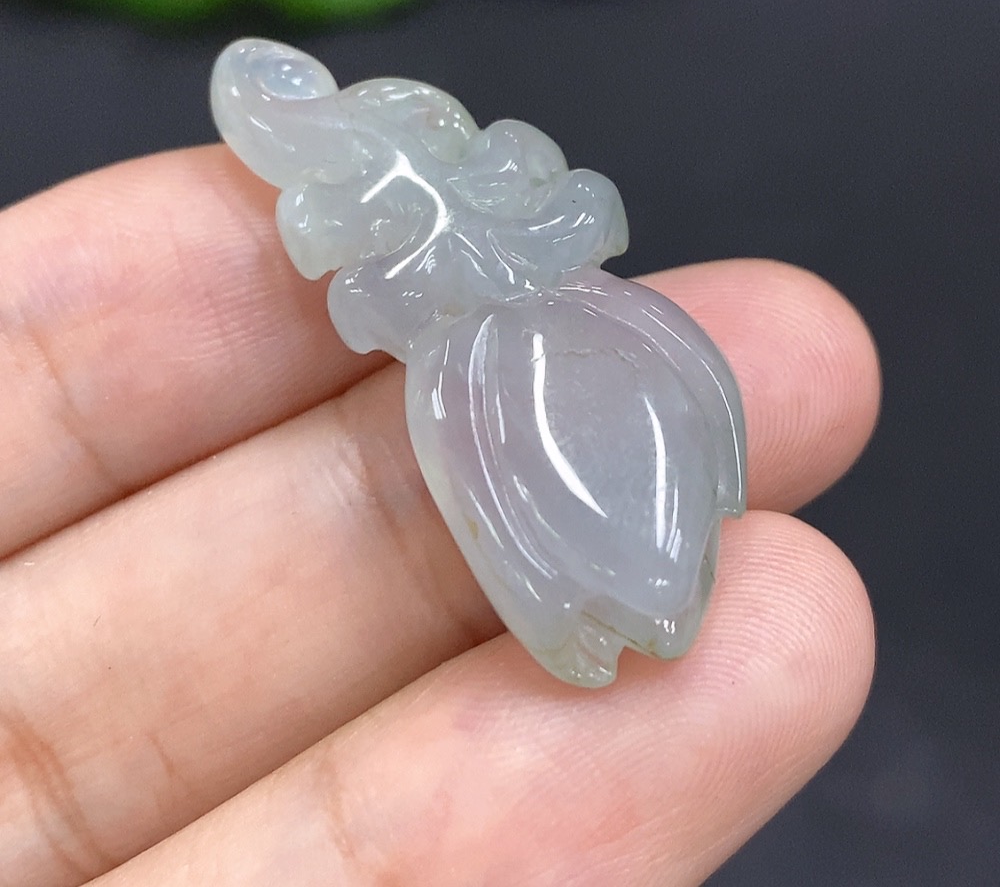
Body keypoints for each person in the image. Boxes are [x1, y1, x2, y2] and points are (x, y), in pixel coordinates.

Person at [0, 144, 880, 886]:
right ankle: (610, 604)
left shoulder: (519, 308)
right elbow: (384, 308)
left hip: (578, 359)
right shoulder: (459, 358)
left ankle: (634, 595)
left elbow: (589, 222)